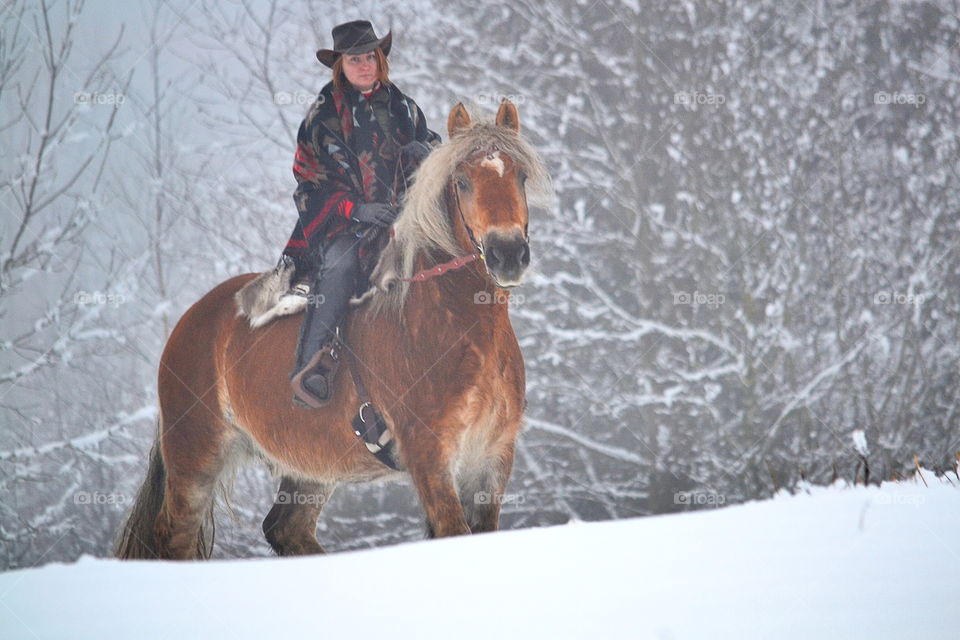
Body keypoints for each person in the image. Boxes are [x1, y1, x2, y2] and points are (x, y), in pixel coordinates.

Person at [281, 20, 440, 408]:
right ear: (341, 65)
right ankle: (312, 368)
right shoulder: (322, 115)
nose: (365, 65)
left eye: (370, 56)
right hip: (346, 225)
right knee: (339, 267)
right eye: (355, 59)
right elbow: (308, 179)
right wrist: (356, 210)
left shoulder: (403, 105)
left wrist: (430, 153)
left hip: (404, 219)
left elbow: (436, 147)